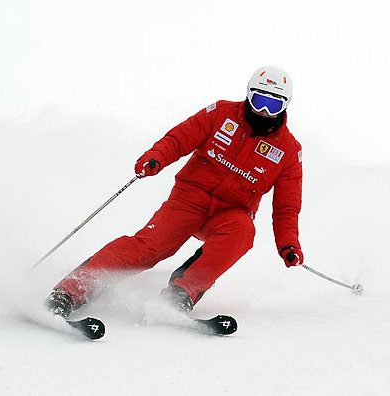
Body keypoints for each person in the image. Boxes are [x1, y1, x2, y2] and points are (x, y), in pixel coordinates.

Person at [46, 66, 304, 317]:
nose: (263, 111)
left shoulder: (288, 151)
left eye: (273, 105)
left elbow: (286, 207)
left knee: (243, 231)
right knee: (149, 247)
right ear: (248, 94)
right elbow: (180, 137)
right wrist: (156, 157)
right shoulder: (221, 113)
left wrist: (288, 244)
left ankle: (181, 294)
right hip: (189, 200)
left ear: (285, 106)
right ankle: (71, 290)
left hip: (230, 212)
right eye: (259, 100)